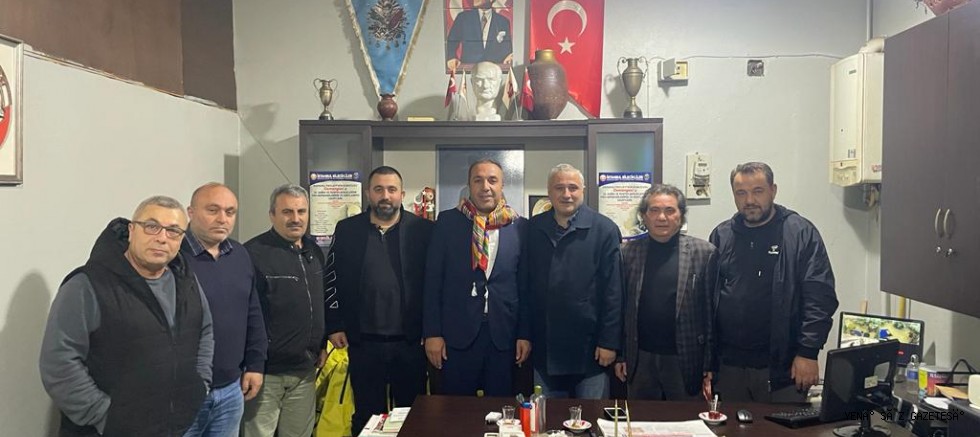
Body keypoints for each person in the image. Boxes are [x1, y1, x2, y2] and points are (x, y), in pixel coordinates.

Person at [39, 196, 214, 436]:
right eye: (151, 226)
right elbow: (59, 361)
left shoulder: (185, 280)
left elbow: (205, 330)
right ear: (131, 230)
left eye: (173, 231)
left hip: (174, 427)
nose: (162, 238)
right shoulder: (88, 284)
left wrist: (200, 384)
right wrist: (104, 416)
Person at [708, 162, 839, 403]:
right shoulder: (721, 235)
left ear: (773, 190)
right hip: (728, 368)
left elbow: (820, 298)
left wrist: (808, 352)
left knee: (779, 424)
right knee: (730, 424)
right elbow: (709, 299)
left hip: (782, 368)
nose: (749, 200)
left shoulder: (799, 233)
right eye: (741, 193)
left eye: (757, 191)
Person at [324, 166, 434, 435]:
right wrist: (335, 325)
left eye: (392, 189)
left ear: (402, 194)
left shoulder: (423, 230)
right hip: (363, 342)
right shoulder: (347, 230)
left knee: (411, 417)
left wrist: (432, 330)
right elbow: (331, 278)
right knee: (367, 416)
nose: (385, 195)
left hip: (410, 342)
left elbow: (435, 284)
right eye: (379, 189)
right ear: (368, 193)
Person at [423, 158, 530, 396]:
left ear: (502, 185)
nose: (485, 187)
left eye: (492, 180)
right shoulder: (448, 223)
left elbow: (524, 286)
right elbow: (433, 282)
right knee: (456, 411)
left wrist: (524, 334)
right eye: (478, 180)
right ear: (469, 185)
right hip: (456, 335)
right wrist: (432, 333)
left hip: (504, 337)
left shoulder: (520, 227)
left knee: (501, 411)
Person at [526, 163, 623, 399]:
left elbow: (614, 291)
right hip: (545, 348)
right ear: (549, 192)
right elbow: (525, 286)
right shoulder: (533, 228)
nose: (566, 194)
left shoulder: (605, 229)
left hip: (590, 350)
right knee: (546, 418)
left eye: (573, 188)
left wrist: (609, 342)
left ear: (583, 190)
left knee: (591, 417)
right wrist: (524, 334)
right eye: (559, 188)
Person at [614, 184, 717, 401]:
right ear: (644, 216)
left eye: (670, 210)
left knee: (685, 419)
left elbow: (711, 312)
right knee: (641, 418)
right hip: (640, 357)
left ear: (681, 215)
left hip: (686, 357)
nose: (662, 217)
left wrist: (709, 362)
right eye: (654, 210)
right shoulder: (627, 253)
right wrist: (621, 355)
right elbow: (621, 310)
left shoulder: (704, 253)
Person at [182, 183, 268, 437]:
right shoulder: (173, 257)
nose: (222, 219)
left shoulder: (240, 255)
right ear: (191, 212)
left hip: (231, 388)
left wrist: (255, 364)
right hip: (184, 392)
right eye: (213, 210)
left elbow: (253, 311)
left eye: (230, 212)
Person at [242, 184, 327, 437]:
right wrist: (252, 364)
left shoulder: (314, 252)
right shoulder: (253, 253)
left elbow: (318, 303)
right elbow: (247, 316)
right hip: (266, 374)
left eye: (301, 211)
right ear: (272, 215)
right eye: (287, 212)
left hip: (305, 371)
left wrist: (321, 344)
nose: (295, 218)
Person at [445, 0, 513, 72]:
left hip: (494, 72)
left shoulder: (503, 21)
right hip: (468, 70)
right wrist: (451, 57)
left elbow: (507, 49)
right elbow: (452, 41)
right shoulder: (463, 18)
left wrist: (509, 56)